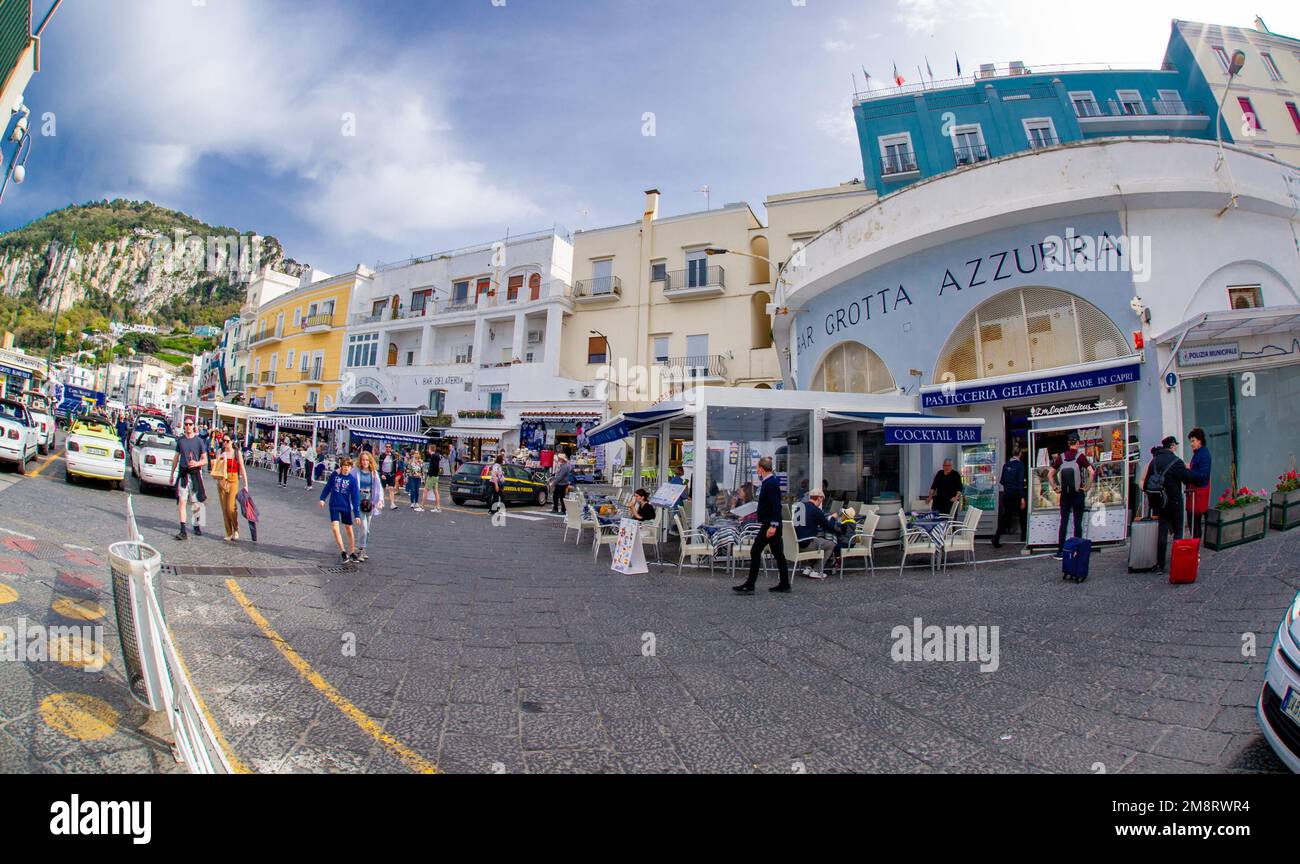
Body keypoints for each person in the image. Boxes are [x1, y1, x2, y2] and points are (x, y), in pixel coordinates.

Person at [734, 456, 791, 594]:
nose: (756, 470)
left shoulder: (770, 483)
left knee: (756, 551)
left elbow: (776, 505)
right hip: (769, 524)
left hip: (770, 525)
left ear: (761, 468)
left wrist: (773, 525)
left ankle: (750, 584)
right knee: (778, 554)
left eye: (757, 468)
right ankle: (784, 584)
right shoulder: (769, 482)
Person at [1143, 436, 1195, 573]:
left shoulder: (1154, 462)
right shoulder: (1176, 461)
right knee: (1178, 531)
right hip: (1175, 501)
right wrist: (1188, 469)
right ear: (1172, 446)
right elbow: (1187, 477)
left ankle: (1160, 564)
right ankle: (1176, 561)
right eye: (1175, 445)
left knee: (1163, 532)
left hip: (1160, 503)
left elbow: (1146, 483)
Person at [1049, 433, 1095, 560]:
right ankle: (1077, 551)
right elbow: (1092, 472)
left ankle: (1060, 551)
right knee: (1077, 523)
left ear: (1068, 443)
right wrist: (1087, 487)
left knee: (1063, 522)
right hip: (1078, 494)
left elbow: (1050, 474)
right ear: (1078, 443)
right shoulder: (1080, 457)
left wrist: (1055, 487)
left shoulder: (1061, 457)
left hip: (1065, 495)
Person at [319, 456, 361, 563]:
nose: (346, 468)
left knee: (349, 529)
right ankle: (343, 551)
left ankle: (351, 552)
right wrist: (322, 498)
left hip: (345, 507)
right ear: (341, 466)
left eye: (348, 466)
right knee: (335, 528)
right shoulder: (335, 475)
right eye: (344, 466)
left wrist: (356, 514)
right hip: (334, 505)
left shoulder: (352, 480)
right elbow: (328, 486)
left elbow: (355, 498)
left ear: (351, 467)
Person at [172, 417, 208, 541]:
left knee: (196, 503)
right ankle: (183, 530)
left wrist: (196, 463)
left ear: (194, 426)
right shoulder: (180, 441)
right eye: (186, 424)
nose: (187, 426)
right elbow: (176, 458)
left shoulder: (199, 441)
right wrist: (172, 474)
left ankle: (197, 524)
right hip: (183, 475)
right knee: (182, 502)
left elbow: (205, 460)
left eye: (190, 424)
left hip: (195, 474)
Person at [793, 490, 838, 575]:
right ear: (819, 498)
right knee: (830, 544)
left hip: (796, 543)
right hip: (806, 545)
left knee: (819, 539)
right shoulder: (816, 510)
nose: (821, 501)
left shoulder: (800, 507)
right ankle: (817, 570)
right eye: (822, 499)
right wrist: (833, 518)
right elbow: (829, 527)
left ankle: (810, 566)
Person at [991, 448, 1027, 548]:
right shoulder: (1020, 465)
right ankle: (1024, 537)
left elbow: (1001, 481)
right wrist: (1022, 498)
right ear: (1020, 454)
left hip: (1007, 494)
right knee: (1022, 515)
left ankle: (996, 537)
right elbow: (1020, 482)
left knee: (1006, 517)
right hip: (1016, 493)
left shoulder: (1006, 465)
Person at [215, 435, 247, 542]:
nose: (225, 443)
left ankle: (236, 528)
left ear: (232, 442)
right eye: (223, 441)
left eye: (227, 441)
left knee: (230, 507)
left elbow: (242, 468)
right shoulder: (220, 451)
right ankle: (228, 532)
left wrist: (245, 484)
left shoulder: (237, 453)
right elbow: (217, 467)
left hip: (233, 479)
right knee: (224, 508)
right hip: (222, 479)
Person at [354, 451, 383, 562]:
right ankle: (360, 550)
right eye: (363, 460)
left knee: (367, 529)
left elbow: (379, 487)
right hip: (358, 501)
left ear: (370, 461)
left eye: (367, 460)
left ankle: (364, 549)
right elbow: (348, 478)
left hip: (369, 502)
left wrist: (380, 500)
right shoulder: (356, 471)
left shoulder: (373, 473)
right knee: (363, 527)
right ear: (360, 461)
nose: (365, 462)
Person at [1186, 427, 1212, 539]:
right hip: (1195, 491)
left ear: (1199, 440)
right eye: (1191, 441)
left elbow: (1203, 475)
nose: (1191, 444)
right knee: (1193, 520)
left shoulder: (1203, 454)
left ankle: (1196, 543)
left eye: (1193, 441)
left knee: (1195, 521)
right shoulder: (1198, 453)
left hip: (1199, 491)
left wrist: (1189, 469)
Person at [379, 444, 398, 509]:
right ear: (385, 448)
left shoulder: (393, 456)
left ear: (391, 448)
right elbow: (380, 465)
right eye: (386, 447)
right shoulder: (382, 455)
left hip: (391, 474)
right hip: (384, 474)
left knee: (391, 489)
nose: (388, 448)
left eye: (389, 447)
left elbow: (395, 464)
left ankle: (392, 504)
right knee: (383, 489)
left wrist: (394, 473)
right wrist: (382, 474)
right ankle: (382, 502)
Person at [424, 445, 442, 512]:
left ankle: (422, 506)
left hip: (432, 476)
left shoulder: (433, 456)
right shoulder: (436, 455)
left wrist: (430, 474)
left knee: (425, 490)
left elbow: (434, 466)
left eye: (428, 448)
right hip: (436, 476)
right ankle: (438, 507)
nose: (428, 450)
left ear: (430, 449)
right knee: (436, 491)